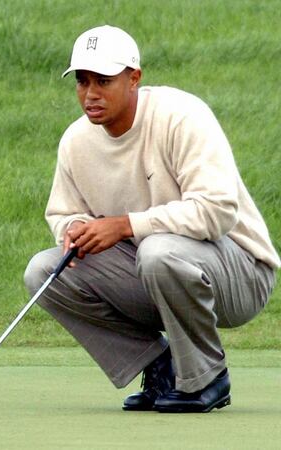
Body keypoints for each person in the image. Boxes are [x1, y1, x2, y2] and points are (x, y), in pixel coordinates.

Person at [24, 25, 279, 413]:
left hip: (240, 274)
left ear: (134, 78)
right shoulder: (76, 141)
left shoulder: (182, 116)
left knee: (158, 251)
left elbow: (217, 210)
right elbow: (63, 211)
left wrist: (125, 225)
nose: (90, 94)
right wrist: (73, 228)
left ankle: (207, 376)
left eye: (104, 81)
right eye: (82, 81)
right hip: (156, 272)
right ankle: (159, 368)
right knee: (44, 272)